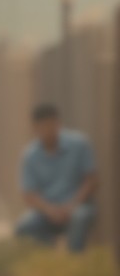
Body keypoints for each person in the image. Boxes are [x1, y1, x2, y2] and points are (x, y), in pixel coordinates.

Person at [14, 103, 97, 253]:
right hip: (47, 210)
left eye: (52, 125)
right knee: (24, 226)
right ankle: (48, 257)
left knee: (80, 217)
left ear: (58, 123)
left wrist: (72, 205)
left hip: (76, 205)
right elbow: (28, 194)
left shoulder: (79, 144)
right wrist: (49, 210)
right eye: (43, 127)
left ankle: (75, 263)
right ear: (35, 128)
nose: (48, 131)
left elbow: (91, 180)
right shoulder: (30, 156)